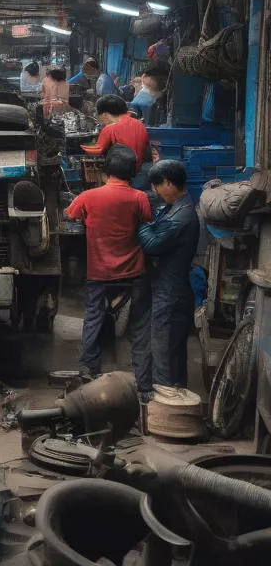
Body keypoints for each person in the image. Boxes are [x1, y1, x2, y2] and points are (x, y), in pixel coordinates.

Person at [65, 145, 153, 397]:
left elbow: (70, 215)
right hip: (133, 271)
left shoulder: (88, 197)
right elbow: (147, 225)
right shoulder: (139, 198)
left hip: (99, 271)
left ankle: (89, 367)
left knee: (93, 316)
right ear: (132, 172)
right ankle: (142, 381)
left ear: (105, 172)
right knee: (138, 324)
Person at [138, 160, 201, 389]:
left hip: (171, 294)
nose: (155, 190)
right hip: (171, 289)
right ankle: (176, 404)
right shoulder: (175, 207)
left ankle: (165, 413)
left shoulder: (183, 215)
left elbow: (152, 243)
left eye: (157, 185)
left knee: (164, 354)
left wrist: (142, 221)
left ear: (168, 183)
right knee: (172, 355)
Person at [80, 94, 150, 172]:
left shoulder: (110, 128)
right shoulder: (140, 124)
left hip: (122, 173)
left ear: (105, 114)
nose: (100, 121)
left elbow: (96, 151)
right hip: (141, 170)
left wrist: (79, 147)